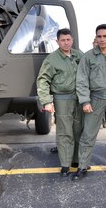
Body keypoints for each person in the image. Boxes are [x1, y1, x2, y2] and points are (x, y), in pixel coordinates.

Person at [72, 24, 106, 181]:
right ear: (95, 38)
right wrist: (85, 101)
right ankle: (82, 166)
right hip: (95, 97)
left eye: (105, 36)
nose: (102, 39)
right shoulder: (88, 56)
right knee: (88, 133)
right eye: (99, 36)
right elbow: (81, 79)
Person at [36, 28, 84, 177]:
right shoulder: (52, 59)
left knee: (78, 130)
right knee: (64, 132)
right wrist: (46, 101)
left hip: (79, 98)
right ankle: (65, 164)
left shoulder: (79, 55)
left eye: (68, 39)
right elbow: (43, 80)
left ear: (72, 40)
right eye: (63, 40)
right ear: (57, 41)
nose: (66, 42)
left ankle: (76, 160)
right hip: (62, 98)